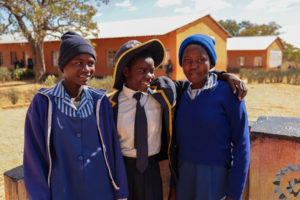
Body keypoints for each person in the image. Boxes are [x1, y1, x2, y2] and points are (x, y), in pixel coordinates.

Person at [109, 39, 248, 200]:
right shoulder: (112, 104)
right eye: (187, 61)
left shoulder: (165, 93)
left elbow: (242, 144)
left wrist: (224, 75)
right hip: (140, 171)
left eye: (152, 70)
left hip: (201, 175)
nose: (150, 76)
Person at [23, 31, 128, 200]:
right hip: (63, 190)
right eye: (78, 63)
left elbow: (113, 148)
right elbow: (33, 155)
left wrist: (120, 191)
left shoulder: (100, 102)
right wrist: (40, 196)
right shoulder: (43, 103)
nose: (86, 69)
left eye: (90, 63)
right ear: (63, 65)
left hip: (100, 189)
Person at [172, 34, 250, 200]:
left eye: (201, 59)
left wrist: (234, 193)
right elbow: (177, 146)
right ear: (181, 64)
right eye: (187, 60)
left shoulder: (229, 93)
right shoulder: (180, 95)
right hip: (185, 178)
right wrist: (174, 185)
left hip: (216, 179)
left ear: (211, 63)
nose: (193, 66)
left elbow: (242, 145)